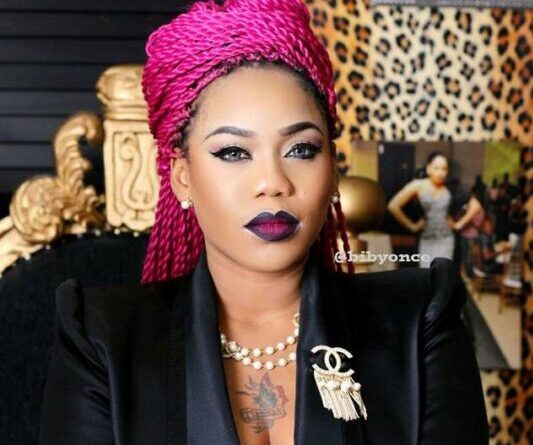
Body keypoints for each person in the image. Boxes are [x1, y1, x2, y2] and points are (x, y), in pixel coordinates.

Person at [38, 1, 489, 444]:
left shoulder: (419, 322)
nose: (273, 183)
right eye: (234, 152)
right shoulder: (100, 340)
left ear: (332, 170)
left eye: (301, 150)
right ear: (182, 177)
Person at [387, 151, 455, 268]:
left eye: (444, 169)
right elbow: (393, 206)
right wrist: (412, 226)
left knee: (443, 274)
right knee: (426, 274)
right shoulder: (419, 185)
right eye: (436, 168)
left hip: (446, 239)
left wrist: (455, 223)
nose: (440, 172)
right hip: (427, 239)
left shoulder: (449, 188)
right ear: (429, 168)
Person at [452, 184, 488, 278]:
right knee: (464, 257)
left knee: (469, 257)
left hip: (471, 235)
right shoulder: (467, 206)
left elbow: (478, 223)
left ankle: (470, 276)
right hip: (464, 234)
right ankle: (466, 275)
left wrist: (467, 219)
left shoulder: (477, 207)